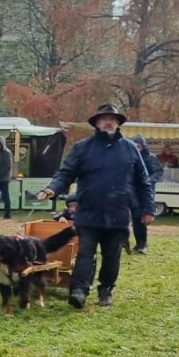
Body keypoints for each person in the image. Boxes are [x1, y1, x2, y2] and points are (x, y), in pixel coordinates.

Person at [36, 104, 153, 308]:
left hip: (118, 214)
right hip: (88, 213)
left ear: (118, 123)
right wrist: (51, 189)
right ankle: (79, 291)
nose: (108, 122)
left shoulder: (130, 148)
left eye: (112, 119)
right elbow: (66, 173)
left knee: (112, 257)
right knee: (85, 254)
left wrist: (148, 208)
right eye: (104, 118)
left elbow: (143, 181)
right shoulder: (82, 147)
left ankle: (105, 291)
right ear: (97, 123)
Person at [128, 134, 162, 254]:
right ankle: (137, 244)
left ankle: (143, 244)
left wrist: (147, 181)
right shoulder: (131, 157)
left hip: (146, 192)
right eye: (135, 146)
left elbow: (158, 172)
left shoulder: (150, 158)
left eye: (139, 146)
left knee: (142, 218)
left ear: (143, 146)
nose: (137, 148)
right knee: (135, 217)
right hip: (133, 192)